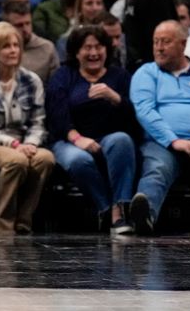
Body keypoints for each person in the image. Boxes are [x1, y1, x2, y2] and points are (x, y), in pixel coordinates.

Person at [46, 25, 137, 234]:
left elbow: (133, 118)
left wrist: (115, 98)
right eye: (87, 48)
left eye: (99, 47)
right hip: (68, 138)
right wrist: (78, 139)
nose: (94, 53)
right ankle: (104, 209)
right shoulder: (64, 75)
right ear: (77, 52)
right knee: (79, 160)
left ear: (107, 49)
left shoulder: (120, 76)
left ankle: (119, 210)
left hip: (108, 136)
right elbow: (57, 115)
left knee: (122, 140)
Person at [0, 22, 55, 234]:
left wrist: (31, 143)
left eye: (16, 45)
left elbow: (38, 121)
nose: (13, 50)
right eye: (6, 46)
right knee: (16, 161)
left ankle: (24, 220)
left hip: (25, 142)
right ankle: (1, 225)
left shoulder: (31, 80)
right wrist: (15, 145)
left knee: (45, 158)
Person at [130, 21, 190, 235]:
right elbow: (144, 111)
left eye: (166, 42)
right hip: (161, 143)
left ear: (182, 44)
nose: (159, 47)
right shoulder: (146, 73)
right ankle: (144, 216)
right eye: (155, 42)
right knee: (157, 169)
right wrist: (173, 140)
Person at [1, 0, 59, 84]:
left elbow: (55, 87)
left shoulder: (47, 48)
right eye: (19, 25)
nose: (25, 29)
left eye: (28, 23)